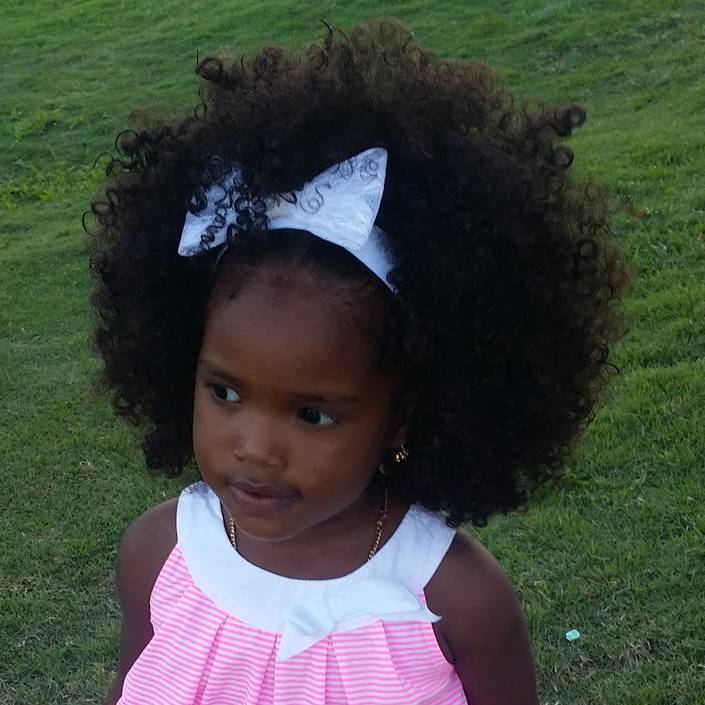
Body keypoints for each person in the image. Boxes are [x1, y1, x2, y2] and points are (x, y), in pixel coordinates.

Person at [88, 19, 628, 705]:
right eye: (224, 392)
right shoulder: (159, 554)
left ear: (402, 414)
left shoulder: (455, 600)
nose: (254, 447)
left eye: (312, 414)